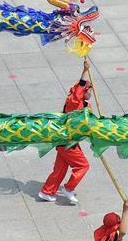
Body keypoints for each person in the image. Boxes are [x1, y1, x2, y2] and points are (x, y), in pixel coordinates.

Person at [39, 59, 93, 204]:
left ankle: (47, 191)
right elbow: (78, 91)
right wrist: (85, 71)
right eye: (90, 91)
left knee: (60, 169)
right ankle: (68, 189)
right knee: (83, 165)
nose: (91, 94)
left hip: (64, 141)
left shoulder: (83, 104)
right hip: (68, 141)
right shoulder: (74, 104)